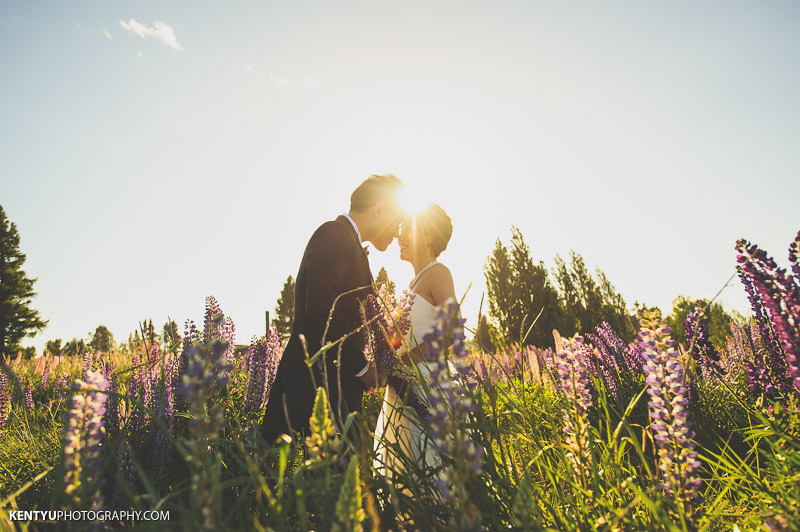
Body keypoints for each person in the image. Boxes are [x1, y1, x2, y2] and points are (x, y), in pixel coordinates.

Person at [261, 174, 404, 444]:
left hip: (337, 391)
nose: (398, 232)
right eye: (396, 222)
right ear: (379, 210)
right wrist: (362, 368)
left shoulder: (351, 245)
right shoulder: (334, 234)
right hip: (310, 389)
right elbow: (318, 312)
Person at [373, 202, 457, 482]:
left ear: (430, 236)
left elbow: (450, 330)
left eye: (407, 228)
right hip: (403, 385)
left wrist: (401, 364)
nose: (399, 236)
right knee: (406, 466)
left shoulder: (438, 272)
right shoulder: (411, 284)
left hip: (427, 383)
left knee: (430, 464)